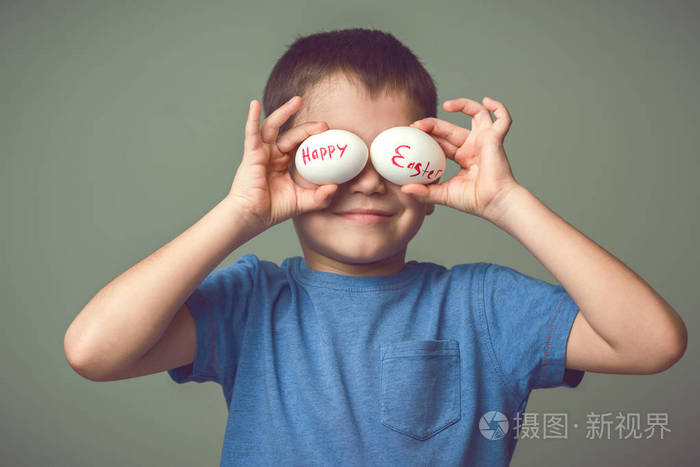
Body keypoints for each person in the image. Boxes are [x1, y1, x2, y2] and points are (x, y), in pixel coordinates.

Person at [64, 28, 688, 466]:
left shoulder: (481, 306)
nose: (367, 179)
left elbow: (653, 344)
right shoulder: (252, 302)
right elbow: (94, 351)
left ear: (431, 167)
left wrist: (507, 203)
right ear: (287, 162)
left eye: (393, 156)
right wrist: (240, 213)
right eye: (337, 154)